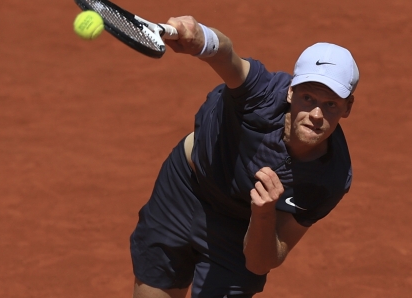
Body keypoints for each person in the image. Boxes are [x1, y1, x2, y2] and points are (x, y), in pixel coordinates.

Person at [130, 15, 359, 298]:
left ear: (347, 108)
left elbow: (262, 261)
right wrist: (200, 37)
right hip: (185, 189)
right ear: (290, 92)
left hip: (243, 226)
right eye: (308, 98)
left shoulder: (329, 178)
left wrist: (263, 214)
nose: (316, 115)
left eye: (331, 104)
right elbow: (226, 55)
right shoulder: (262, 93)